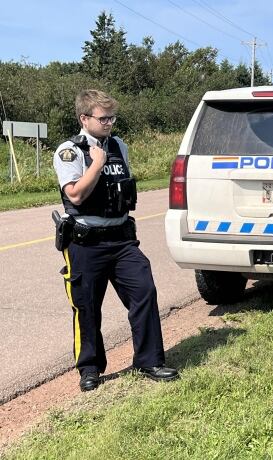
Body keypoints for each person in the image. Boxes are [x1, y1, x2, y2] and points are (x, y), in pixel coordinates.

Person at [52, 89, 178, 392]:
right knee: (87, 306)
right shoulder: (69, 151)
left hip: (121, 240)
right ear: (85, 118)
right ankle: (90, 369)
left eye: (112, 117)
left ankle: (149, 361)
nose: (109, 123)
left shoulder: (119, 145)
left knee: (144, 291)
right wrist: (95, 163)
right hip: (85, 243)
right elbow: (75, 194)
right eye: (103, 118)